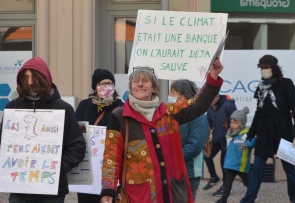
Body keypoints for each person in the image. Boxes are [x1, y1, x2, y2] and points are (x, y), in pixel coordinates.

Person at [99, 58, 224, 203]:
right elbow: (111, 157)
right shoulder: (120, 116)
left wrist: (213, 76)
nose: (140, 84)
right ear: (131, 87)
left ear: (154, 88)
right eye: (135, 81)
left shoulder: (168, 112)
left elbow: (198, 104)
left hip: (171, 193)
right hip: (139, 196)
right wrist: (108, 190)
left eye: (145, 81)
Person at [0, 56, 86, 203]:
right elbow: (3, 145)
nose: (30, 82)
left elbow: (77, 147)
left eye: (34, 77)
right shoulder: (12, 108)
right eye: (26, 77)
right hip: (20, 192)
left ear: (44, 78)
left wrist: (56, 168)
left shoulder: (63, 108)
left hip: (51, 193)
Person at [240, 55, 295, 203]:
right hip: (264, 131)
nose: (264, 71)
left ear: (274, 68)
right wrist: (250, 134)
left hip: (283, 129)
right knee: (257, 168)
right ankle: (249, 199)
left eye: (266, 67)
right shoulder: (260, 87)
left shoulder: (286, 83)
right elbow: (258, 112)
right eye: (262, 68)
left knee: (289, 169)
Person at [75, 69, 124, 203]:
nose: (106, 87)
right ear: (95, 88)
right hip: (87, 168)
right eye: (102, 84)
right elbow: (76, 128)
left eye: (109, 83)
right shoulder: (84, 106)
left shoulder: (120, 108)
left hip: (108, 166)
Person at [169, 79, 209, 202]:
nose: (171, 97)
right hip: (171, 169)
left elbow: (195, 146)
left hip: (189, 171)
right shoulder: (171, 113)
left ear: (185, 95)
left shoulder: (198, 116)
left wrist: (172, 158)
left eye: (174, 94)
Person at [214, 107, 256, 203]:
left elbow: (253, 142)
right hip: (230, 163)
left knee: (247, 182)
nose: (232, 125)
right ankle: (223, 199)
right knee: (227, 182)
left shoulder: (245, 134)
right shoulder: (229, 134)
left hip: (241, 164)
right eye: (232, 122)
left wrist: (246, 144)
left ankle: (253, 195)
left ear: (241, 123)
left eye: (235, 123)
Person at [204, 94, 237, 196]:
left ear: (217, 96)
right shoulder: (210, 107)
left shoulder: (228, 105)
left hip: (228, 139)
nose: (208, 101)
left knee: (224, 163)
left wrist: (230, 136)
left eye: (210, 98)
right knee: (206, 153)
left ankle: (226, 187)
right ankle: (214, 177)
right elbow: (208, 122)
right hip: (217, 137)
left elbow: (237, 122)